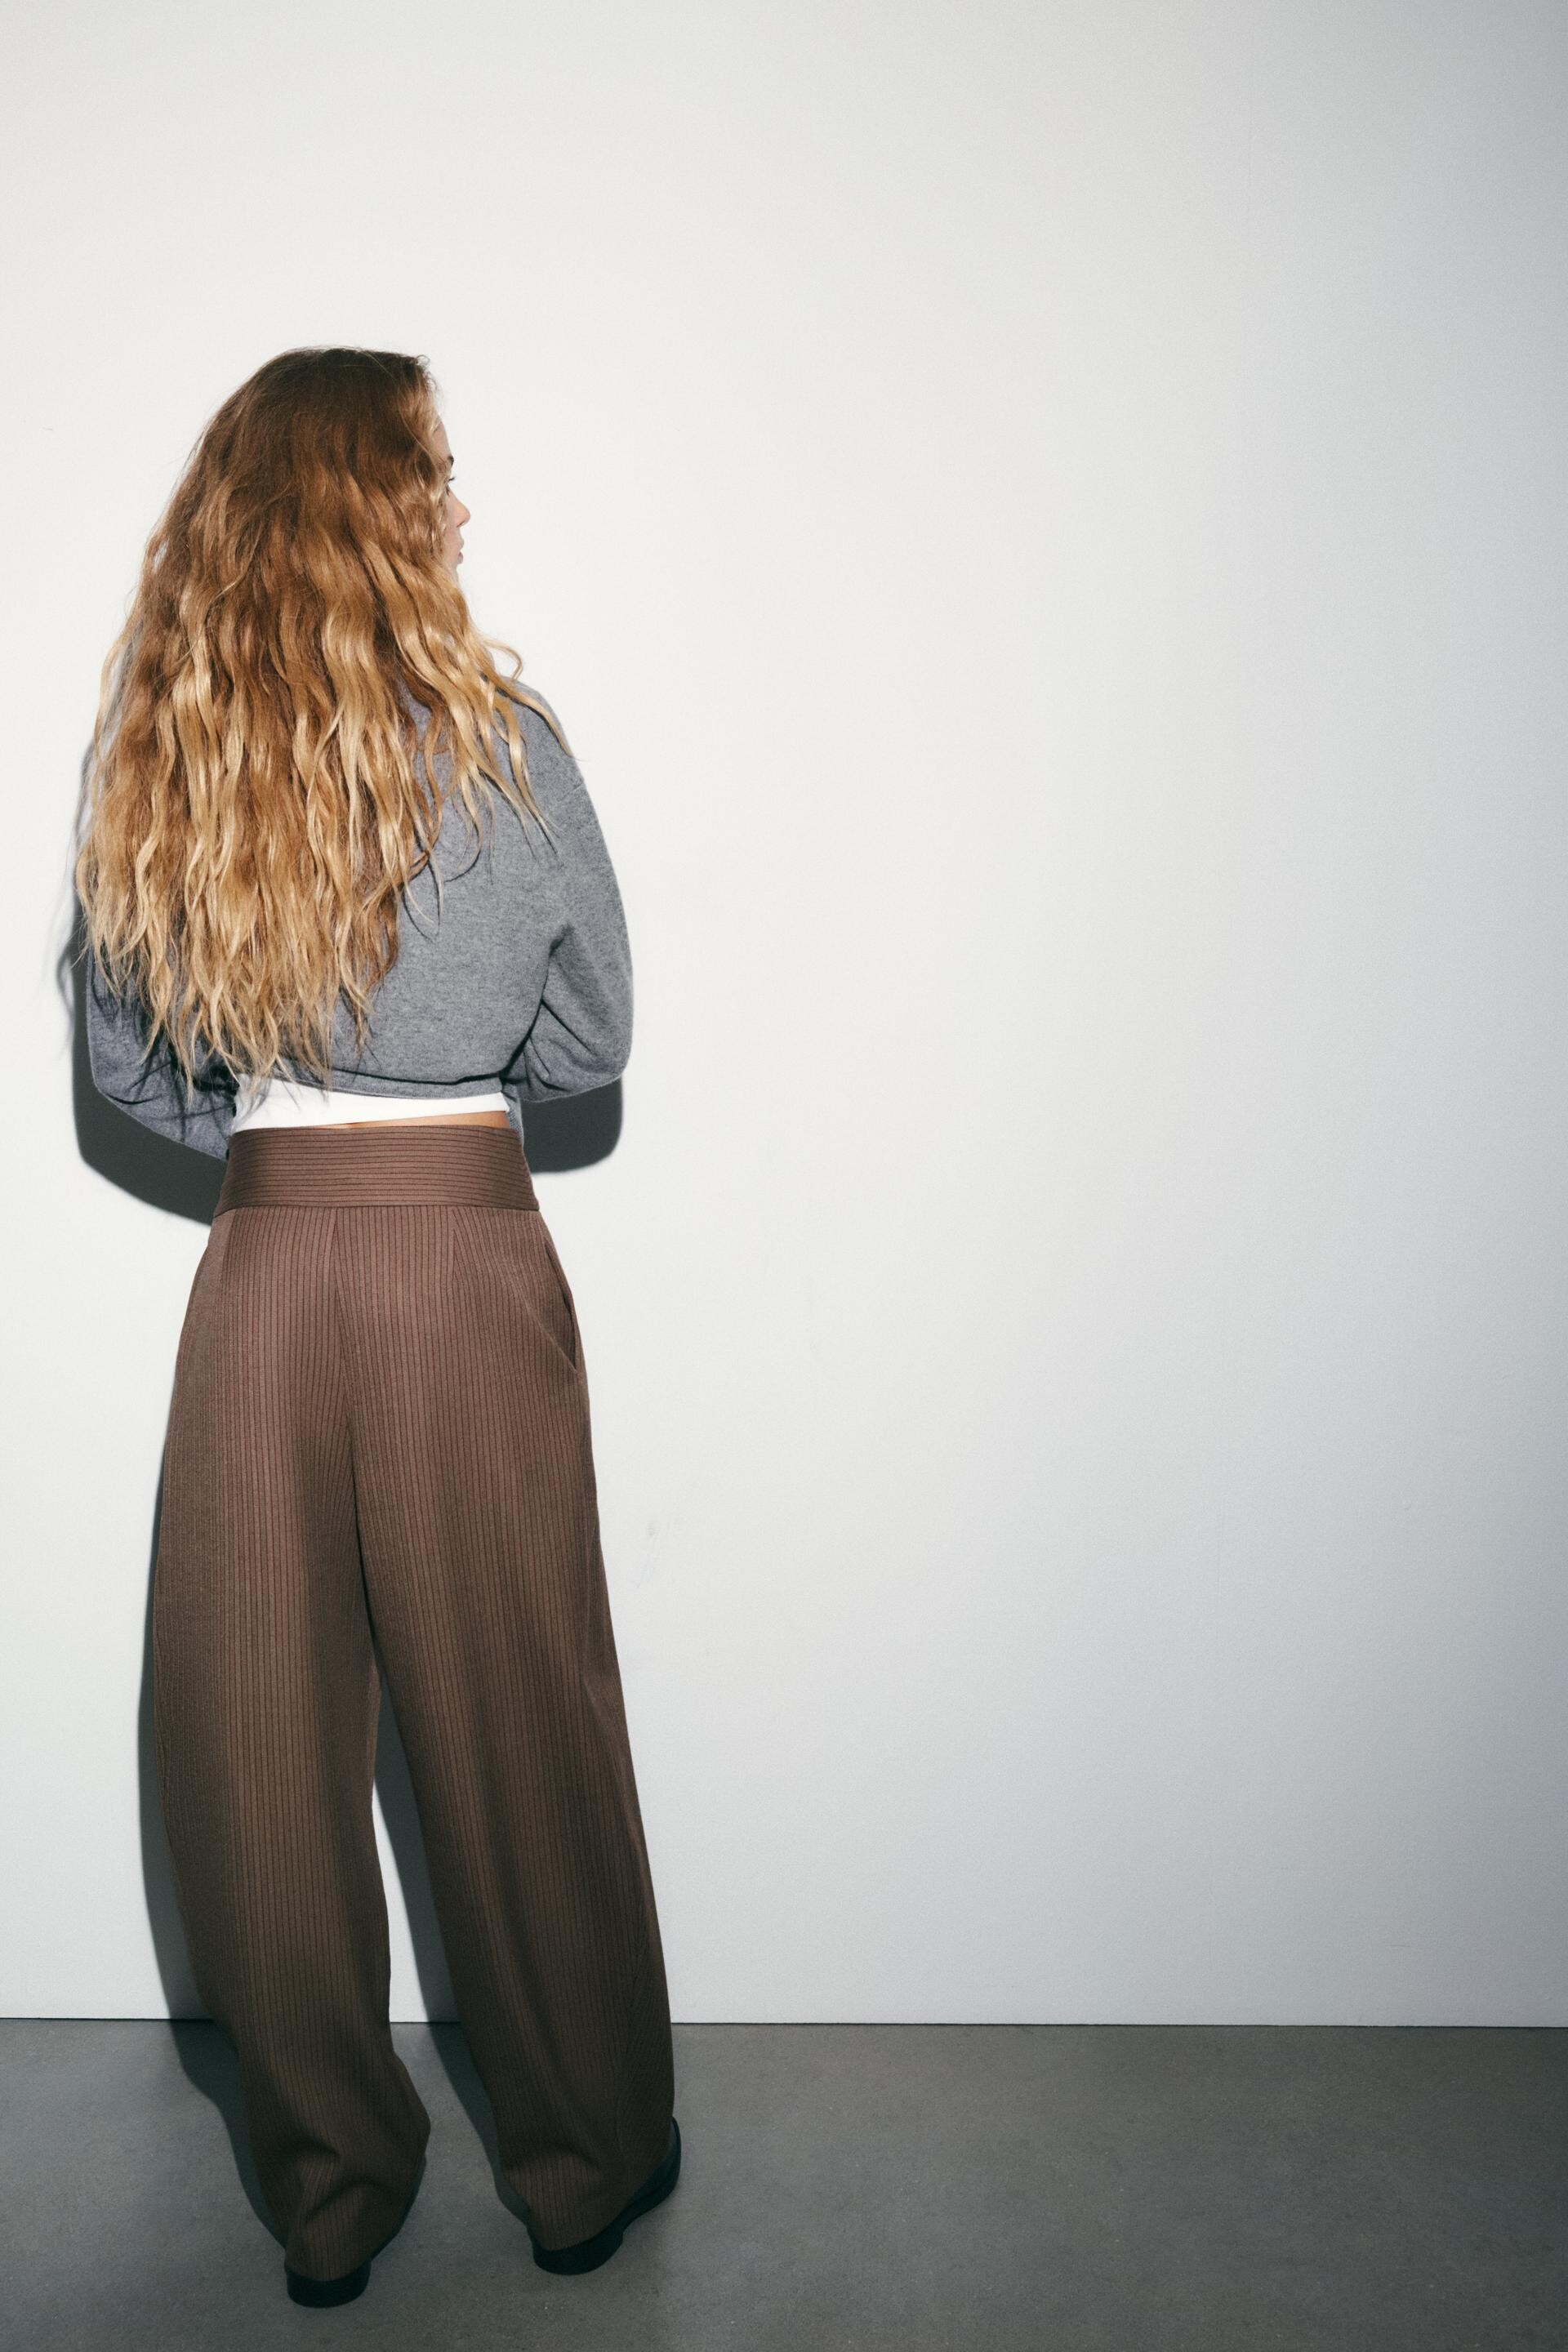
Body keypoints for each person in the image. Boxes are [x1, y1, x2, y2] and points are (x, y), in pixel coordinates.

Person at [73, 347, 679, 2308]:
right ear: (372, 504)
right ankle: (585, 2158)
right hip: (461, 1264)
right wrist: (437, 1095)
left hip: (263, 1278)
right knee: (518, 1719)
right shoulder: (505, 751)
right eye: (436, 472)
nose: (461, 506)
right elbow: (590, 1042)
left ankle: (331, 2189)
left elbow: (126, 1071)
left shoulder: (167, 754)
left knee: (247, 1735)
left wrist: (281, 1133)